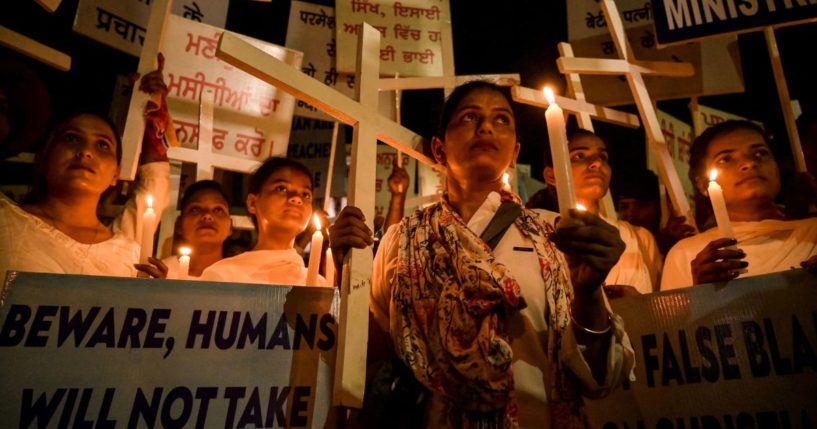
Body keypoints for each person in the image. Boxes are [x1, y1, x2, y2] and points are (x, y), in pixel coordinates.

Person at [331, 81, 634, 428]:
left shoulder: (558, 236)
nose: (486, 127)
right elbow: (376, 353)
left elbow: (600, 378)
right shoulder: (402, 240)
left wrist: (589, 291)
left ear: (515, 152)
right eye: (469, 117)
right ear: (439, 149)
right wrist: (348, 272)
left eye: (502, 120)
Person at [661, 120, 817, 290]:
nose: (749, 163)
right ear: (704, 185)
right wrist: (701, 294)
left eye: (760, 153)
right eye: (726, 159)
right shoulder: (689, 254)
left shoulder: (812, 235)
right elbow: (675, 316)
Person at [534, 129, 662, 295]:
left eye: (603, 157)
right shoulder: (538, 237)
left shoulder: (638, 239)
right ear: (551, 175)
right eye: (579, 156)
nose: (597, 163)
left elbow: (659, 307)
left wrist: (636, 302)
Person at [199, 157, 330, 286]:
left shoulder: (317, 285)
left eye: (305, 194)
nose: (296, 198)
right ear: (252, 202)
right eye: (281, 188)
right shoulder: (221, 277)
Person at [136, 180, 233, 279]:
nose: (207, 216)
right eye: (195, 209)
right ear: (179, 224)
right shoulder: (156, 275)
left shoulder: (241, 274)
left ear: (231, 226)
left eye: (218, 210)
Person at [615, 168, 695, 256]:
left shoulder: (678, 244)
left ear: (659, 208)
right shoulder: (612, 250)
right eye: (624, 207)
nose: (631, 214)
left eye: (641, 205)